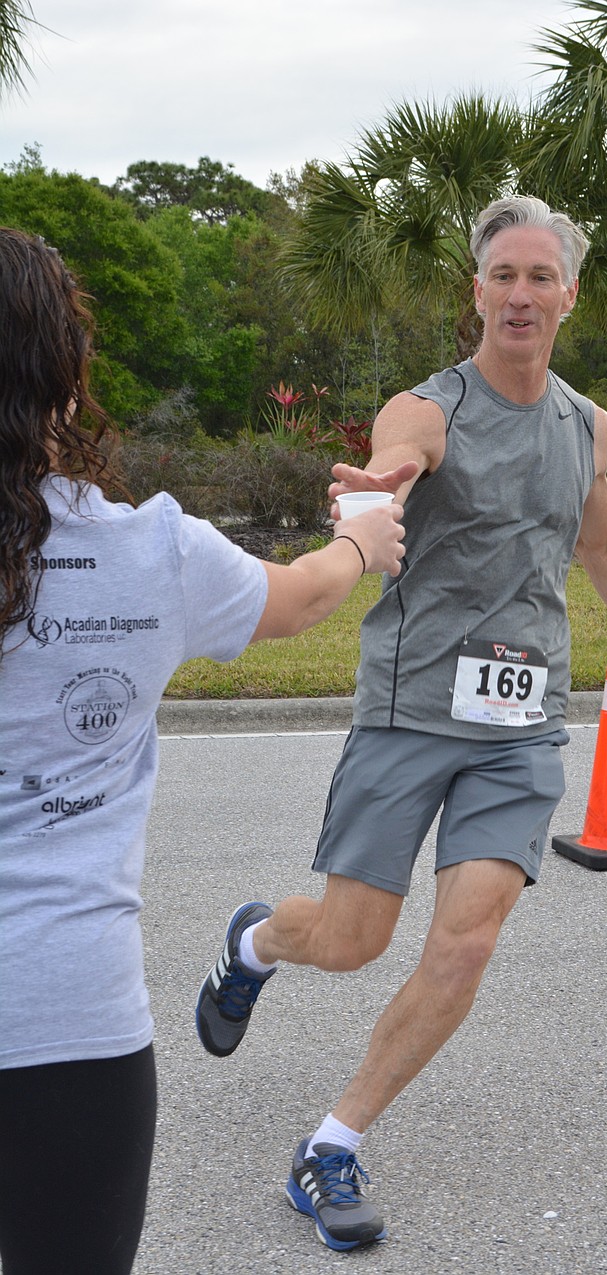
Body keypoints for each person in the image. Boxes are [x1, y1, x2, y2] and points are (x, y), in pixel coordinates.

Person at [195, 195, 607, 1253]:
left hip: (522, 719)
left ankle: (330, 1148)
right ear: (475, 291)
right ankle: (256, 941)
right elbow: (394, 463)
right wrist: (377, 491)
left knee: (468, 940)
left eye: (542, 276)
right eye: (504, 276)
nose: (521, 294)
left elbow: (604, 545)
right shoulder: (428, 410)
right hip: (411, 709)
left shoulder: (589, 425)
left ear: (568, 295)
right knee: (351, 941)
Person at [0, 226, 408, 1275]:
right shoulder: (150, 556)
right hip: (63, 1022)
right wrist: (363, 533)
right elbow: (308, 591)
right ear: (70, 371)